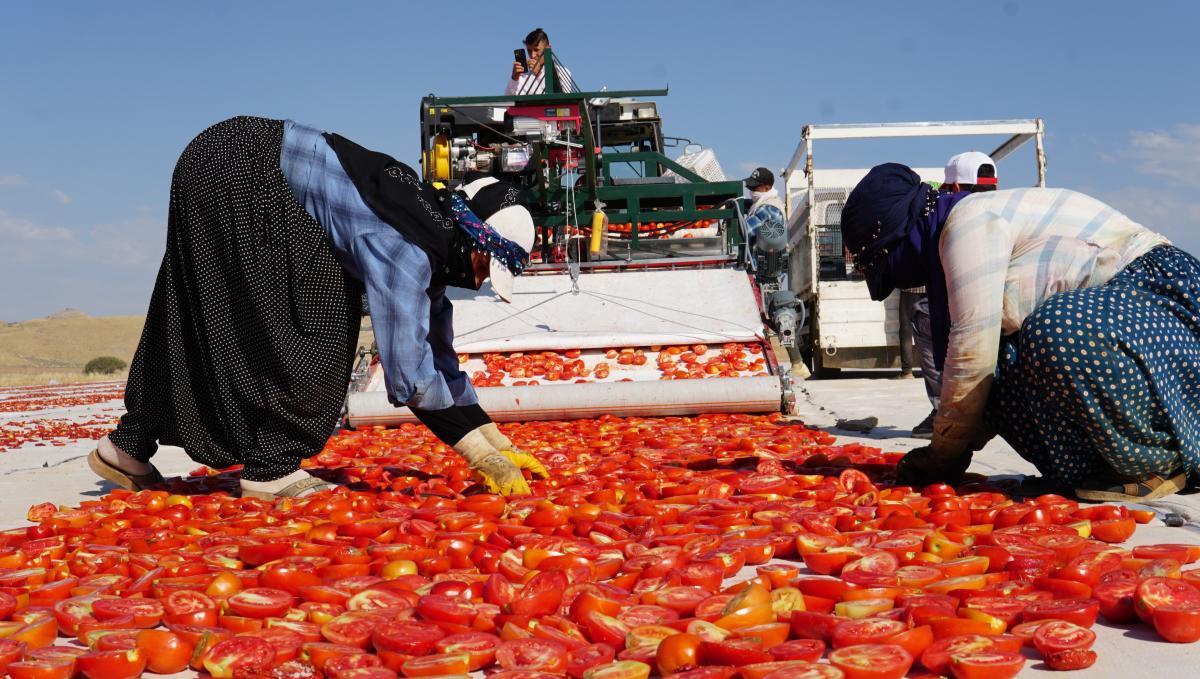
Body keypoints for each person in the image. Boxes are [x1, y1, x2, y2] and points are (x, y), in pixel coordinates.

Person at [89, 116, 545, 500]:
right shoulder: (408, 248)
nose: (482, 280)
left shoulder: (430, 225)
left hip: (227, 158)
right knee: (315, 327)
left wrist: (494, 438)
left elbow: (437, 353)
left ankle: (126, 447)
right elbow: (410, 374)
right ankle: (269, 470)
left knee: (193, 318)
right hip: (244, 172)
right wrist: (474, 454)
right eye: (488, 266)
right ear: (475, 238)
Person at [841, 162, 1195, 501]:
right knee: (1004, 363)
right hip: (1119, 322)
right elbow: (981, 370)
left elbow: (972, 353)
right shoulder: (951, 229)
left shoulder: (969, 222)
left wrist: (943, 454)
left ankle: (1157, 461)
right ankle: (1090, 469)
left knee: (1056, 329)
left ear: (902, 236)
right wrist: (958, 444)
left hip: (1157, 298)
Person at [903, 152, 1000, 439]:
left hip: (960, 303)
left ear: (954, 187)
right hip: (1008, 300)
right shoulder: (1009, 205)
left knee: (924, 318)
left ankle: (943, 410)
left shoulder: (949, 209)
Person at [507, 27, 578, 95]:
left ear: (548, 48)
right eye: (529, 50)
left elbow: (565, 101)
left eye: (536, 50)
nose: (532, 55)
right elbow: (508, 103)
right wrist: (514, 79)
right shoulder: (522, 77)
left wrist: (539, 75)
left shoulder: (563, 72)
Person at [743, 167, 785, 243]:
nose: (751, 190)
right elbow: (749, 205)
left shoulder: (768, 209)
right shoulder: (766, 201)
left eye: (754, 187)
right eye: (750, 186)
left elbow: (745, 231)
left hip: (762, 254)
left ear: (766, 188)